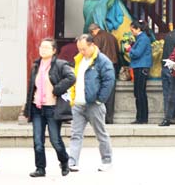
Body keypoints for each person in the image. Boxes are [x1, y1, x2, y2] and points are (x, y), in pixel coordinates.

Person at [25, 38, 76, 178]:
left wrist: (57, 89)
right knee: (37, 140)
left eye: (47, 48)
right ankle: (40, 168)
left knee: (55, 140)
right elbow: (31, 89)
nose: (43, 50)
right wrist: (27, 108)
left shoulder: (60, 64)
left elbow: (71, 77)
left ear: (54, 51)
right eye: (41, 47)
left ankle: (64, 161)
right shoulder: (36, 65)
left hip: (53, 107)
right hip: (37, 107)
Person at [68, 34, 114, 173]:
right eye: (79, 49)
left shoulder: (102, 61)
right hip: (78, 103)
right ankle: (72, 161)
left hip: (94, 104)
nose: (81, 52)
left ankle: (107, 160)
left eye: (84, 49)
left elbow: (109, 81)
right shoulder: (79, 59)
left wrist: (100, 99)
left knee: (101, 134)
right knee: (76, 134)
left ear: (92, 45)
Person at [86, 22, 119, 124]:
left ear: (93, 31)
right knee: (110, 92)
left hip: (101, 66)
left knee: (100, 91)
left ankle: (101, 118)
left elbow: (93, 54)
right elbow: (117, 51)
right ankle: (109, 118)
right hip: (113, 65)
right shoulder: (112, 37)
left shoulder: (97, 39)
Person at [126, 21, 152, 125]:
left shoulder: (143, 39)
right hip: (140, 67)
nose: (132, 32)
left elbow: (137, 53)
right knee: (139, 93)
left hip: (141, 67)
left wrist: (129, 49)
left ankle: (142, 118)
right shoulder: (142, 38)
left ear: (138, 29)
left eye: (132, 30)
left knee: (140, 93)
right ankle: (141, 117)